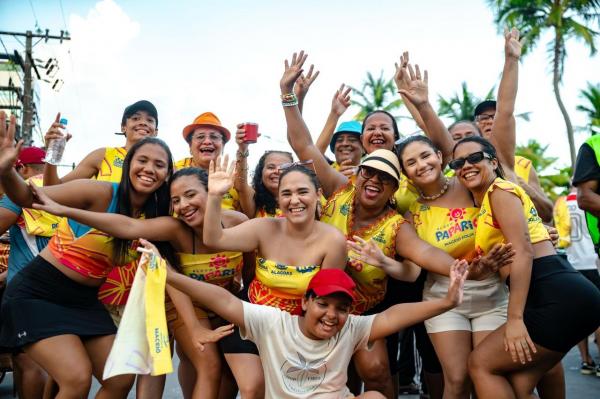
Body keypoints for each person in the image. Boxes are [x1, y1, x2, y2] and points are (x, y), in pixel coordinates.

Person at [280, 51, 505, 398]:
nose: (373, 180)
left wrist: (467, 271)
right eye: (368, 171)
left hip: (365, 310)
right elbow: (303, 145)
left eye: (385, 177)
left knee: (377, 370)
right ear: (357, 174)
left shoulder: (396, 223)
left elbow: (427, 254)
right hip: (316, 301)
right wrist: (288, 96)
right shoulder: (339, 189)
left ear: (394, 187)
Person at [29, 166, 260, 399]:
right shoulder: (174, 228)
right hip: (184, 305)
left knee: (230, 375)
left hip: (224, 303)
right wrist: (64, 210)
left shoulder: (238, 221)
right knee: (209, 365)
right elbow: (129, 226)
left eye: (190, 195)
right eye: (176, 200)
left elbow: (251, 269)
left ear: (211, 190)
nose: (183, 206)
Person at [147, 235, 469, 399]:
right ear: (305, 301)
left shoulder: (351, 328)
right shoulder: (273, 323)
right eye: (324, 305)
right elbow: (222, 299)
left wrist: (447, 301)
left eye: (341, 308)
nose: (332, 315)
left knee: (372, 396)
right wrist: (167, 274)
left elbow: (396, 314)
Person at [0, 113, 173, 398]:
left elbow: (130, 228)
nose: (149, 169)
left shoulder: (158, 215)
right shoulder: (101, 192)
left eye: (159, 164)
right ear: (128, 165)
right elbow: (30, 198)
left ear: (168, 174)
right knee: (76, 378)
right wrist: (7, 172)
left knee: (119, 379)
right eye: (142, 161)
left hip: (84, 301)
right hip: (38, 293)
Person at [449, 135, 600, 398]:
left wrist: (515, 319)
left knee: (480, 364)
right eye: (458, 162)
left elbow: (523, 251)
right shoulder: (491, 201)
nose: (466, 165)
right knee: (519, 386)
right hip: (562, 293)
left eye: (474, 158)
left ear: (494, 162)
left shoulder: (500, 191)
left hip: (552, 293)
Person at [42, 100, 163, 398]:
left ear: (157, 129)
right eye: (134, 118)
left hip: (130, 278)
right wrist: (53, 154)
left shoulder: (160, 167)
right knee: (69, 368)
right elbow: (53, 190)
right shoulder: (103, 156)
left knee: (123, 370)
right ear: (123, 126)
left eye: (150, 119)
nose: (142, 123)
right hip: (84, 267)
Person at [0, 146, 61, 399]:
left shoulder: (20, 192)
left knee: (28, 362)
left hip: (27, 291)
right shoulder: (63, 191)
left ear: (21, 168)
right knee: (59, 366)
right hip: (64, 287)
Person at [175, 112, 241, 211]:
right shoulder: (175, 170)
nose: (207, 142)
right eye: (200, 137)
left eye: (214, 137)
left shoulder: (232, 177)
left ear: (223, 146)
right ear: (190, 146)